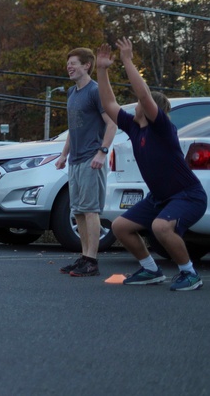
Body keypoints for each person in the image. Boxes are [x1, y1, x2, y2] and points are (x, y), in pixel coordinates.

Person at [95, 38, 206, 291]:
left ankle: (189, 274)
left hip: (188, 195)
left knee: (160, 227)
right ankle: (150, 269)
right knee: (121, 226)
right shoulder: (135, 129)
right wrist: (102, 70)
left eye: (141, 104)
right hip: (160, 197)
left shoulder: (162, 129)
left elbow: (144, 95)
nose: (135, 105)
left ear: (150, 108)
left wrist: (127, 60)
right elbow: (109, 104)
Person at [55, 46, 117, 277]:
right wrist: (63, 155)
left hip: (92, 159)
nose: (69, 67)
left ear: (86, 65)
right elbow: (73, 128)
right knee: (78, 211)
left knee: (90, 211)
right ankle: (84, 257)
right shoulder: (72, 93)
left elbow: (112, 123)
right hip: (75, 160)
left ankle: (92, 260)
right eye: (68, 63)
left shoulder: (95, 91)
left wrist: (102, 152)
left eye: (73, 63)